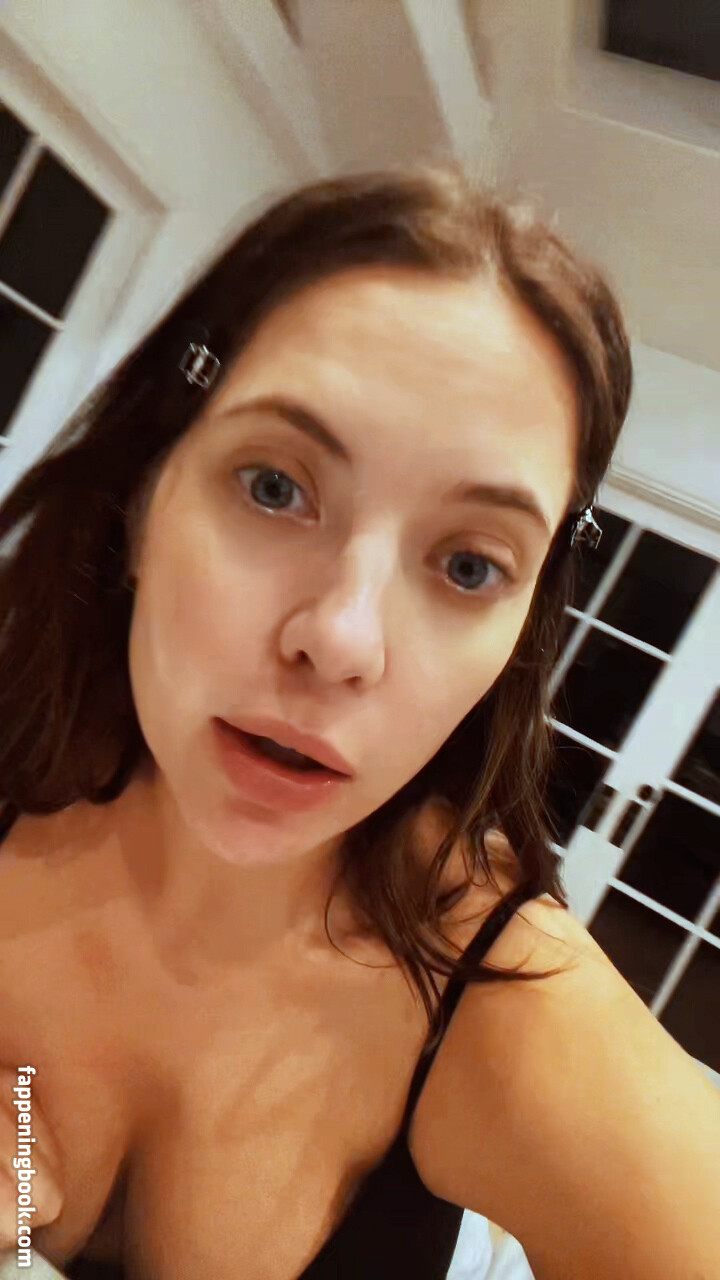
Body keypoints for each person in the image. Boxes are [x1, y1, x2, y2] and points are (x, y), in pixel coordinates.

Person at [0, 164, 718, 1280]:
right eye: (274, 487)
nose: (340, 639)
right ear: (145, 495)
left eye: (469, 564)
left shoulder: (488, 991)